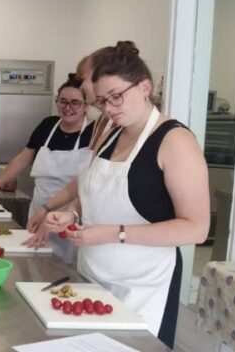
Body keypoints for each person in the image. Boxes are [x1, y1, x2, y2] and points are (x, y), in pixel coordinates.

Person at [43, 41, 210, 349]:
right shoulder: (111, 132)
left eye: (116, 96)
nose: (109, 109)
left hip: (143, 288)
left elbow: (197, 228)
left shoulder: (175, 141)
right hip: (92, 281)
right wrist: (72, 213)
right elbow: (97, 192)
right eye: (102, 102)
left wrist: (112, 233)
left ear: (145, 87)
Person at [0, 74, 93, 263]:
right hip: (39, 210)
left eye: (75, 103)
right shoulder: (48, 125)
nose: (67, 108)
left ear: (86, 105)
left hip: (69, 214)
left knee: (66, 268)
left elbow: (87, 187)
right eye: (62, 102)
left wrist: (55, 215)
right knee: (35, 262)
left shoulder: (94, 134)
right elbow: (21, 159)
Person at [21, 47, 121, 249]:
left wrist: (65, 213)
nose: (82, 83)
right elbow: (86, 180)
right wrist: (47, 210)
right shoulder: (104, 122)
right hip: (64, 218)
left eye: (83, 78)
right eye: (63, 102)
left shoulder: (109, 127)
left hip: (99, 238)